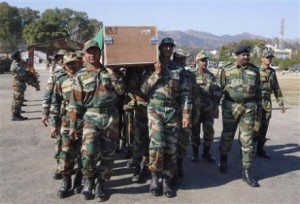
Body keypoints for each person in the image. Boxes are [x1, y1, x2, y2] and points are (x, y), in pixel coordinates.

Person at [68, 40, 125, 202]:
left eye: (95, 51)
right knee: (89, 153)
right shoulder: (81, 75)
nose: (92, 55)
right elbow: (75, 103)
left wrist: (112, 72)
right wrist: (73, 125)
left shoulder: (112, 72)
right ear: (84, 55)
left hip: (111, 119)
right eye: (89, 52)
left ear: (101, 53)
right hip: (90, 117)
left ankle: (101, 183)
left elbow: (121, 91)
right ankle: (89, 181)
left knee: (108, 153)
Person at [141, 38, 192, 198]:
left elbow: (185, 93)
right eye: (166, 46)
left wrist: (186, 113)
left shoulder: (178, 69)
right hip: (155, 108)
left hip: (172, 110)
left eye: (171, 47)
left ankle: (166, 179)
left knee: (171, 146)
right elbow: (143, 89)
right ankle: (155, 177)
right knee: (156, 145)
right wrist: (156, 72)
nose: (168, 49)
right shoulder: (150, 66)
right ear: (160, 48)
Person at [218, 45, 261, 187]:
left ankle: (246, 172)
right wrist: (214, 106)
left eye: (247, 55)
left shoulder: (255, 70)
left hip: (249, 108)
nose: (246, 57)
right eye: (243, 55)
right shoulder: (227, 69)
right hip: (230, 107)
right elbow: (219, 88)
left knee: (247, 140)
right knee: (227, 135)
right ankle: (223, 160)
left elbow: (258, 92)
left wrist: (259, 112)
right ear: (237, 56)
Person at [49, 52, 82, 198]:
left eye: (74, 63)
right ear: (64, 65)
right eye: (69, 64)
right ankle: (66, 181)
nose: (72, 66)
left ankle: (79, 180)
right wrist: (53, 123)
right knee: (66, 152)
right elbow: (55, 102)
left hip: (83, 121)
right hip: (66, 121)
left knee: (83, 153)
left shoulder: (86, 77)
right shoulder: (61, 80)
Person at [190, 50, 221, 163]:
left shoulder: (211, 76)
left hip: (208, 109)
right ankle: (195, 154)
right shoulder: (191, 75)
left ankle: (206, 153)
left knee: (209, 132)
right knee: (195, 132)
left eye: (206, 60)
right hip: (195, 110)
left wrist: (216, 107)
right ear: (197, 62)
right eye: (202, 60)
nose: (204, 63)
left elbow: (217, 92)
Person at [253, 49, 285, 158]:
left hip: (267, 103)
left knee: (264, 127)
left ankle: (260, 149)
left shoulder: (272, 72)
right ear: (262, 58)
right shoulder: (256, 71)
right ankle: (247, 149)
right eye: (267, 57)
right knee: (255, 127)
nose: (269, 59)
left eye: (270, 57)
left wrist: (281, 103)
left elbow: (276, 88)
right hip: (257, 102)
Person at [41, 49, 67, 180]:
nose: (62, 60)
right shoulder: (55, 74)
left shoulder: (77, 72)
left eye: (64, 57)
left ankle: (71, 166)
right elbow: (48, 94)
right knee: (58, 141)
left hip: (72, 114)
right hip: (57, 113)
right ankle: (59, 167)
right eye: (59, 58)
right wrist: (45, 112)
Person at [172, 49, 196, 178]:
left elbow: (195, 97)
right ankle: (172, 167)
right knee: (172, 141)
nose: (181, 61)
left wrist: (193, 115)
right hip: (172, 113)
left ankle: (180, 163)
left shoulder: (190, 76)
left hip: (187, 112)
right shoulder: (169, 73)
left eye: (183, 59)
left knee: (184, 140)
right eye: (178, 59)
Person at [10, 51, 39, 121]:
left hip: (18, 84)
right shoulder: (17, 65)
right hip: (18, 84)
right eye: (20, 55)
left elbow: (24, 73)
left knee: (17, 99)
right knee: (18, 100)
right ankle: (15, 115)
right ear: (18, 57)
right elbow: (24, 77)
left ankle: (17, 113)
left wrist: (29, 73)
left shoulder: (17, 64)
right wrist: (33, 83)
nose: (21, 56)